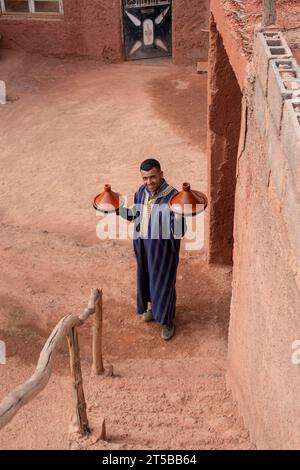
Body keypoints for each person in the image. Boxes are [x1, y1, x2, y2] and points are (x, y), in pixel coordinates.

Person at [118, 158, 186, 340]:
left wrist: (180, 217)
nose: (149, 182)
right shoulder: (141, 192)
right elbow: (135, 216)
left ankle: (167, 320)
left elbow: (180, 231)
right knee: (147, 280)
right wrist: (118, 209)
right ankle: (153, 309)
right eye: (145, 178)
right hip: (143, 246)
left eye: (152, 177)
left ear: (161, 174)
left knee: (163, 283)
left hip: (163, 251)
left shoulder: (174, 197)